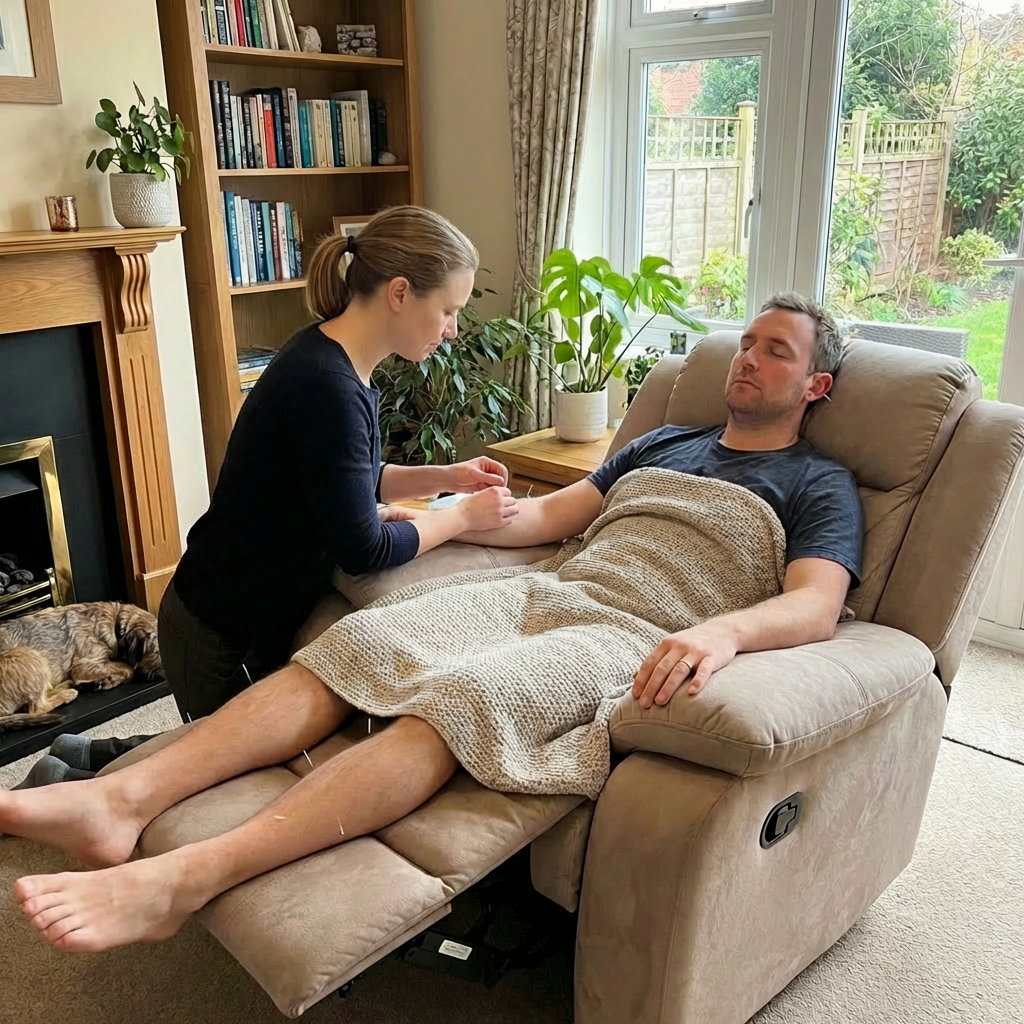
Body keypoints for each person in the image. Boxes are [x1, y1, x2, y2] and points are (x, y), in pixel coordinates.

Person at [1, 292, 863, 953]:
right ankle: (116, 799)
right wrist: (446, 509)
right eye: (746, 342)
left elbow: (816, 602)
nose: (748, 359)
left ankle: (183, 879)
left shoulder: (818, 484)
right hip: (549, 588)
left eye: (775, 351)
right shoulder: (661, 443)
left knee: (465, 697)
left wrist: (721, 633)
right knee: (360, 642)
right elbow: (545, 517)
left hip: (633, 630)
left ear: (814, 386)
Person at [36, 206, 520, 780]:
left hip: (217, 615)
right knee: (218, 775)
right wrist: (462, 516)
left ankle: (81, 753)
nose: (452, 329)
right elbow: (363, 549)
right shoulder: (329, 385)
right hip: (223, 635)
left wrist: (447, 478)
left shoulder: (333, 358)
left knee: (210, 750)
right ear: (399, 293)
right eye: (448, 310)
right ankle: (61, 783)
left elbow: (350, 477)